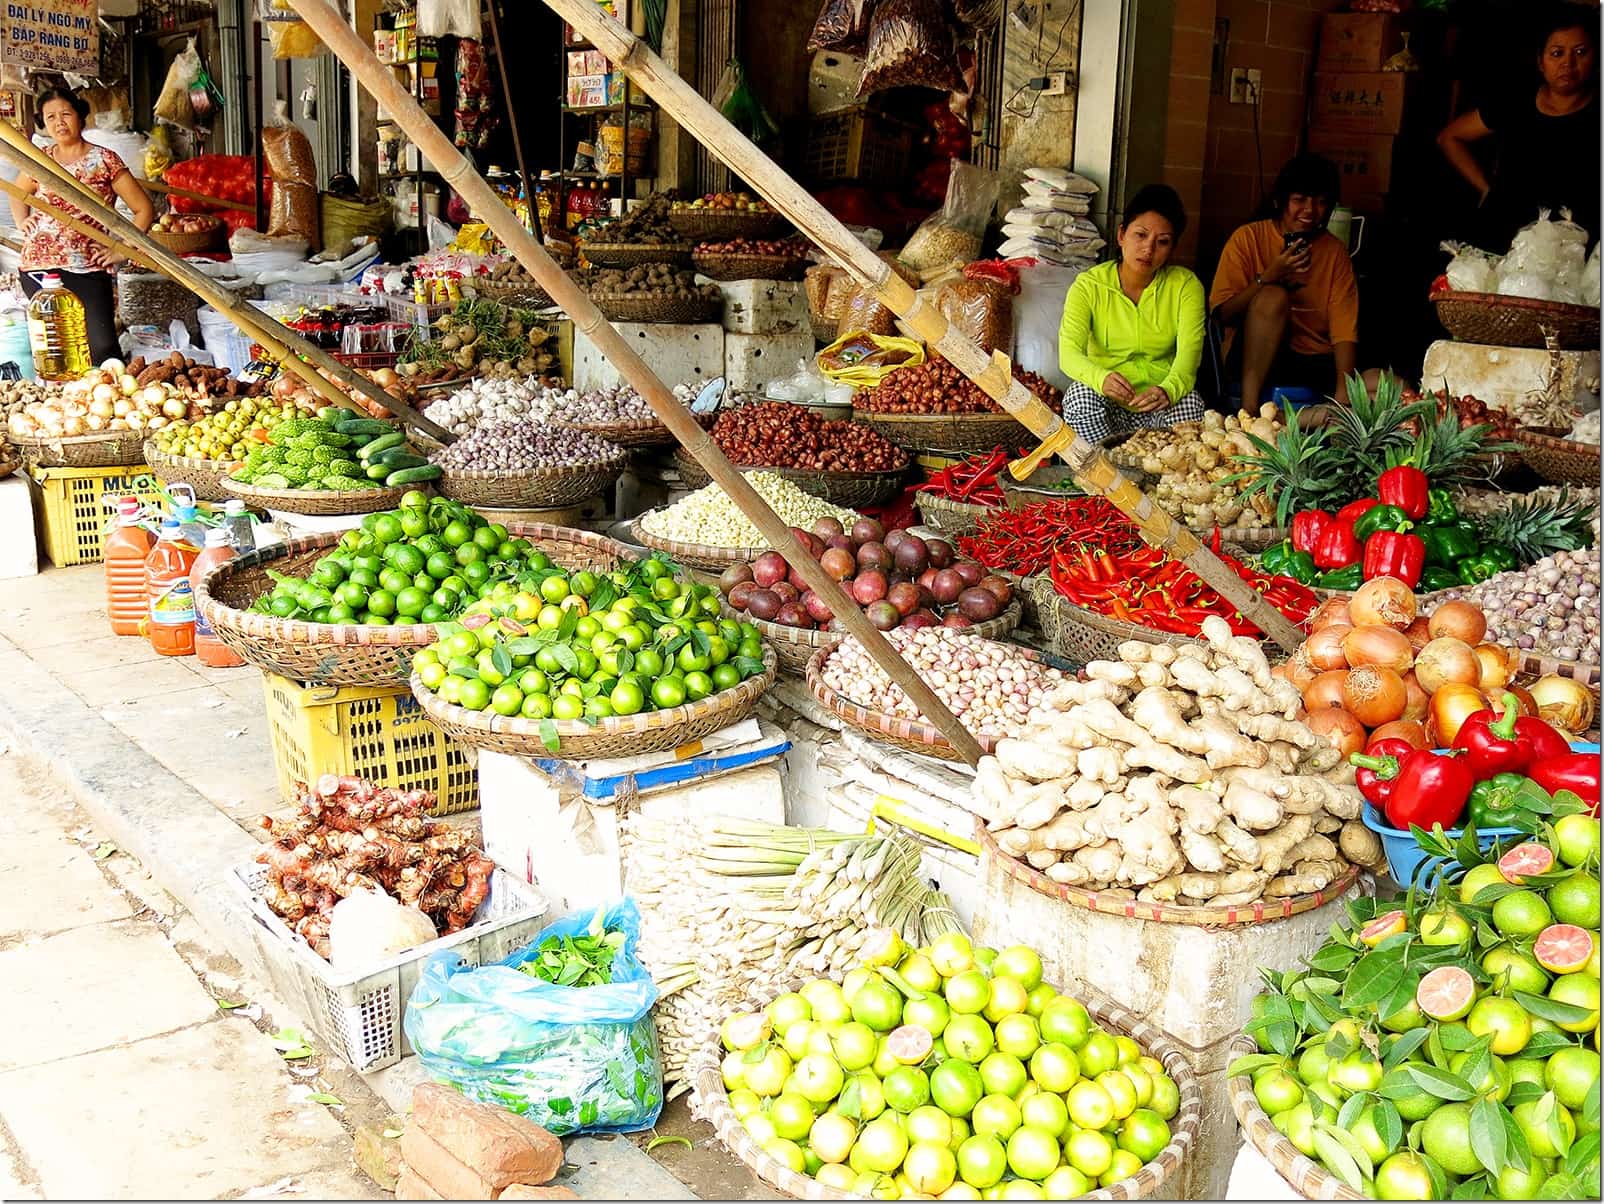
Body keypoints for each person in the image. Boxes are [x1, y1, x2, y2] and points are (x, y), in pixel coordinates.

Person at [9, 85, 155, 365]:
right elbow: (18, 193)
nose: (59, 122)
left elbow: (144, 209)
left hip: (87, 266)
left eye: (65, 114)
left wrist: (122, 250)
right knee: (57, 350)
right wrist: (23, 221)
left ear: (80, 115)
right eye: (50, 117)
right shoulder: (41, 160)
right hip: (39, 266)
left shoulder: (104, 159)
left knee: (101, 348)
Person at [1209, 154, 1359, 415]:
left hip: (1311, 360)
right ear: (1281, 200)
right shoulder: (1248, 238)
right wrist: (1269, 276)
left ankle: (1315, 418)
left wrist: (1342, 398)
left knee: (1386, 384)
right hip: (1252, 359)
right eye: (1299, 200)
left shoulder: (1334, 252)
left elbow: (1344, 330)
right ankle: (1250, 414)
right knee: (1273, 296)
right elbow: (1222, 315)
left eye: (1320, 202)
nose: (1309, 211)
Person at [1436, 6, 1598, 248]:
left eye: (1580, 52)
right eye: (1556, 53)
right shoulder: (1515, 102)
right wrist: (1486, 189)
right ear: (1541, 62)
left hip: (1580, 246)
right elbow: (1450, 137)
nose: (1568, 63)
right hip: (1509, 238)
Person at [1057, 184, 1206, 442]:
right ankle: (1106, 474)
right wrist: (1101, 379)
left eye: (1162, 242)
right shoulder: (1088, 286)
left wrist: (1168, 390)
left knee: (1190, 402)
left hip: (1158, 404)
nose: (1148, 249)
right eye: (1140, 235)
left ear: (1172, 248)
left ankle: (1163, 474)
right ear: (1121, 235)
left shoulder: (1185, 286)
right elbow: (1068, 354)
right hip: (1108, 403)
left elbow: (1188, 358)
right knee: (1079, 397)